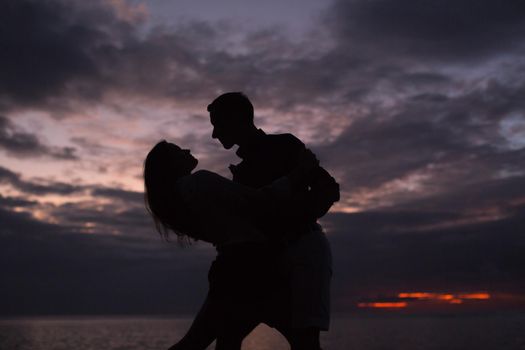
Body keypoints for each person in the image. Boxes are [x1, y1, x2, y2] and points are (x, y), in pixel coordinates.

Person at [144, 140, 323, 350]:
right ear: (170, 166)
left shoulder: (177, 204)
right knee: (304, 341)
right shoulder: (197, 182)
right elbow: (259, 200)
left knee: (209, 341)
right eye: (178, 151)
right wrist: (298, 174)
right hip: (252, 266)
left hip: (231, 268)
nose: (187, 150)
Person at [207, 92, 339, 350]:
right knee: (229, 335)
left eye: (217, 125)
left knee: (305, 341)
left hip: (305, 253)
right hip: (267, 259)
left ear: (236, 120)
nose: (214, 134)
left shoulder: (285, 145)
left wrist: (291, 219)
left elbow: (328, 189)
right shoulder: (242, 172)